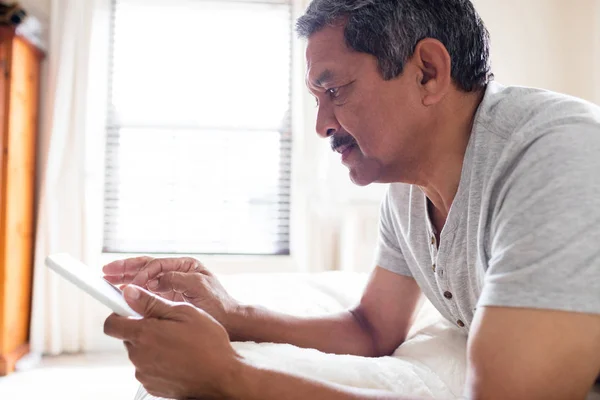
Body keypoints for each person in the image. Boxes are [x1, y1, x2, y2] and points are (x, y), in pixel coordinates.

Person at [103, 0, 600, 398]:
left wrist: (230, 379)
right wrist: (229, 314)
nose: (322, 125)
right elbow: (372, 328)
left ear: (428, 71)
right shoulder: (409, 189)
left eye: (334, 89)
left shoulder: (559, 153)